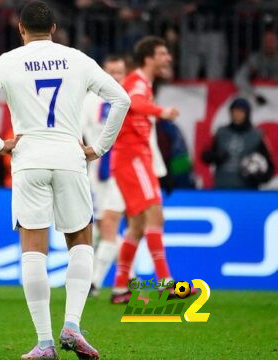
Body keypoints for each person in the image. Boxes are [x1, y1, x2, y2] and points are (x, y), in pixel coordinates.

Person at [0, 2, 130, 359]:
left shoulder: (4, 63)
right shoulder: (78, 59)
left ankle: (44, 343)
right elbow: (121, 99)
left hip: (28, 158)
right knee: (81, 241)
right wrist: (98, 148)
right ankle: (72, 324)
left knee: (33, 249)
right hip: (69, 157)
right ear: (53, 27)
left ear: (20, 29)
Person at [109, 36, 196, 304]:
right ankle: (167, 284)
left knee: (136, 225)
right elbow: (133, 103)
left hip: (133, 159)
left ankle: (120, 287)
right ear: (149, 58)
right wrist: (162, 111)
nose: (168, 58)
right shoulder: (137, 82)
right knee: (155, 217)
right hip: (133, 158)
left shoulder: (143, 83)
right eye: (162, 53)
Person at [78, 55, 129, 296]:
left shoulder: (129, 101)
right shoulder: (89, 100)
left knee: (109, 223)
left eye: (120, 72)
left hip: (122, 171)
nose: (116, 77)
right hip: (97, 171)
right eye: (112, 72)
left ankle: (94, 282)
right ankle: (129, 276)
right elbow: (78, 132)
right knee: (99, 227)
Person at [202, 98, 275, 189]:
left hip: (247, 190)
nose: (237, 114)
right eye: (234, 111)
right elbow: (204, 155)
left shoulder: (257, 135)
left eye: (241, 111)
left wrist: (260, 176)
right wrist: (215, 156)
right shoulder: (221, 132)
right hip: (222, 187)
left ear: (247, 113)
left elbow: (269, 165)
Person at [234, 29, 278, 104]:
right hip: (259, 96)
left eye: (272, 41)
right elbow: (239, 78)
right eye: (266, 41)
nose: (269, 44)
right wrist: (254, 94)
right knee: (242, 96)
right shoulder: (256, 58)